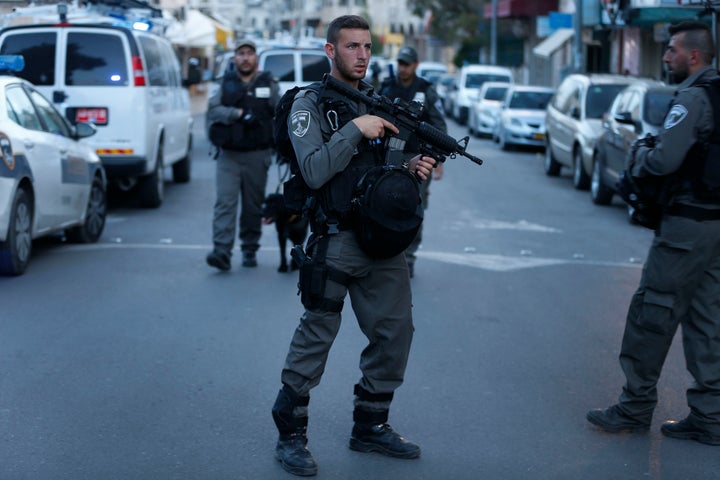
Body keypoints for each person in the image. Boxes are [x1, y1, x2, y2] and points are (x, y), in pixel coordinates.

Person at [270, 15, 437, 476]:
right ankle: (291, 434)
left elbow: (388, 167)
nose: (362, 55)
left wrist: (412, 166)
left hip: (381, 241)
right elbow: (315, 171)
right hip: (337, 236)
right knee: (316, 335)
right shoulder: (309, 105)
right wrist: (355, 129)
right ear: (330, 51)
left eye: (366, 46)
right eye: (351, 47)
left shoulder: (378, 103)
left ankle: (370, 426)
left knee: (395, 333)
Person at [586, 20, 720, 446]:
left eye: (672, 51)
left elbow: (664, 160)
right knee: (707, 320)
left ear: (693, 56)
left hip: (686, 227)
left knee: (652, 313)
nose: (665, 58)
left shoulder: (694, 98)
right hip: (714, 229)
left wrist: (639, 157)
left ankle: (635, 406)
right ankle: (711, 415)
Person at [205, 40, 279, 271]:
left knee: (252, 205)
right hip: (229, 155)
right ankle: (222, 250)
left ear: (256, 58)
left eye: (249, 54)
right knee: (225, 203)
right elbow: (213, 109)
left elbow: (280, 112)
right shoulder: (224, 83)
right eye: (241, 54)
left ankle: (249, 248)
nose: (245, 58)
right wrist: (236, 113)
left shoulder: (269, 83)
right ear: (234, 58)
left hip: (258, 154)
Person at [378, 46, 446, 277]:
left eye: (407, 64)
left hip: (418, 157)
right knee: (383, 204)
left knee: (413, 209)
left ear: (416, 65)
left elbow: (439, 126)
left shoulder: (425, 90)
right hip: (387, 157)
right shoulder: (387, 86)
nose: (402, 68)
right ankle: (385, 255)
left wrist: (436, 160)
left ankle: (408, 258)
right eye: (400, 63)